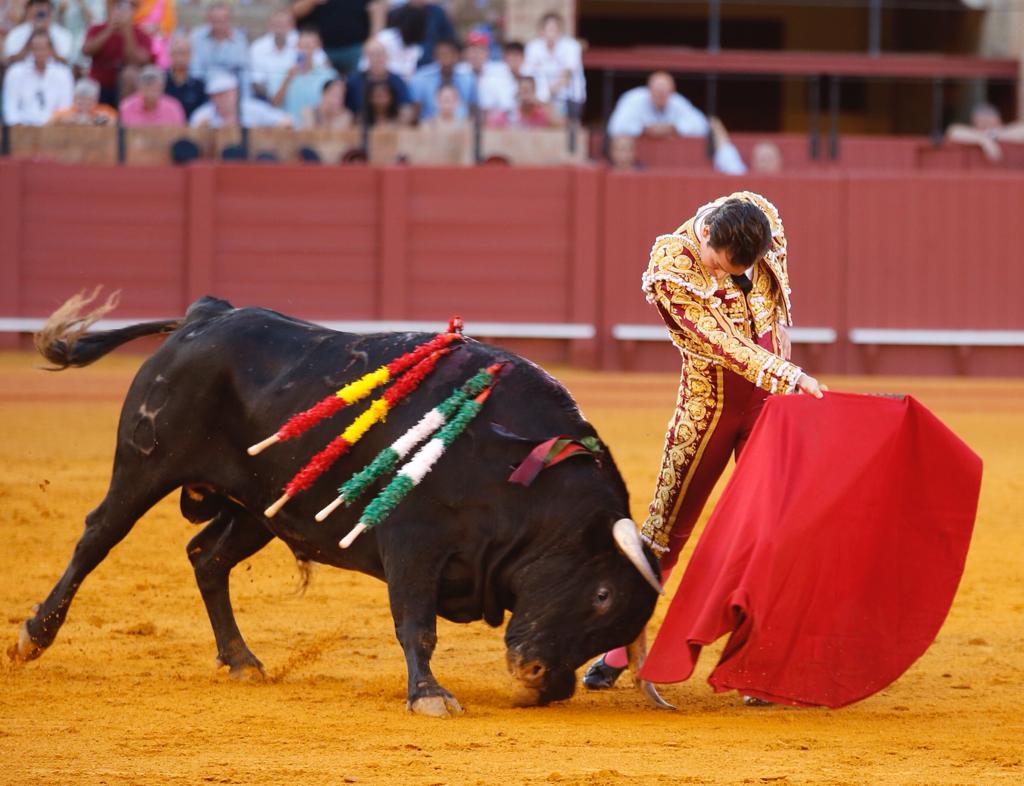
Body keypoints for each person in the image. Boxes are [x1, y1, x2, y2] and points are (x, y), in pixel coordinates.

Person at [582, 192, 825, 691]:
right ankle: (620, 646)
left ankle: (761, 662)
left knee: (774, 531)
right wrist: (789, 373)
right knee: (664, 533)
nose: (721, 274)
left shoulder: (763, 216)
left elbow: (777, 290)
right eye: (718, 264)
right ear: (708, 235)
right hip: (709, 407)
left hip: (768, 404)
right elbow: (725, 345)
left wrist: (782, 342)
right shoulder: (670, 267)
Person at [608, 71, 746, 176]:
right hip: (639, 162)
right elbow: (616, 126)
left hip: (671, 162)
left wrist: (674, 128)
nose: (661, 96)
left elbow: (701, 125)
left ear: (671, 91)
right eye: (657, 92)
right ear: (649, 89)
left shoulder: (676, 102)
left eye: (664, 93)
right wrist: (644, 129)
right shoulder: (634, 100)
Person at [81, 0, 152, 106]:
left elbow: (138, 61)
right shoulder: (97, 29)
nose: (121, 12)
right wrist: (109, 30)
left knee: (130, 74)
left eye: (128, 8)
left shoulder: (142, 34)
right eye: (117, 6)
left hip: (125, 88)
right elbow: (86, 51)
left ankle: (125, 114)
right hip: (99, 83)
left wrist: (127, 31)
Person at [250, 6, 324, 100]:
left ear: (292, 26)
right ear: (269, 25)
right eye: (276, 24)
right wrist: (274, 97)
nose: (279, 29)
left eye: (283, 24)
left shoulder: (302, 41)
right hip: (267, 97)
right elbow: (256, 82)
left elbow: (322, 63)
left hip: (301, 92)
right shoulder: (258, 47)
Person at [2, 29, 73, 123]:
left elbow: (65, 106)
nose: (39, 53)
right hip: (21, 126)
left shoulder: (63, 73)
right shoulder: (15, 72)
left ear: (51, 50)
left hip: (53, 126)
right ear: (29, 49)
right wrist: (17, 126)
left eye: (43, 48)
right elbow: (10, 106)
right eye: (35, 48)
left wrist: (52, 124)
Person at [272, 28, 336, 127]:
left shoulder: (328, 75)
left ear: (317, 47)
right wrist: (287, 80)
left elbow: (334, 107)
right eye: (301, 46)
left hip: (315, 128)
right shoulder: (281, 73)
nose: (305, 51)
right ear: (296, 47)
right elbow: (274, 104)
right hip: (288, 128)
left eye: (309, 46)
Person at [522, 11, 583, 115]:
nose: (553, 33)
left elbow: (566, 78)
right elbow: (527, 73)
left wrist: (542, 95)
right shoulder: (533, 46)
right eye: (550, 29)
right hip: (539, 99)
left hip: (568, 99)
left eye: (556, 29)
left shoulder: (571, 46)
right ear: (541, 31)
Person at [291, 0, 372, 76]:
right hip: (321, 49)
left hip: (356, 46)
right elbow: (294, 12)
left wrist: (372, 39)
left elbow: (374, 6)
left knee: (356, 82)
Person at [190, 70, 291, 128]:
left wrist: (265, 131)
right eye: (215, 96)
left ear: (235, 93)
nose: (220, 99)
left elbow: (286, 122)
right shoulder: (202, 115)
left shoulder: (254, 109)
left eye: (224, 94)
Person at [344, 36, 411, 123]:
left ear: (387, 56)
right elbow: (346, 110)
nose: (377, 58)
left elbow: (405, 109)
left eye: (380, 54)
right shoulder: (353, 81)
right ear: (366, 57)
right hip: (360, 125)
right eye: (373, 55)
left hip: (391, 125)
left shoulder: (397, 81)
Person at [408, 37, 472, 121]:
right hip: (429, 125)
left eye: (449, 54)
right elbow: (415, 111)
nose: (446, 58)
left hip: (460, 125)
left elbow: (472, 109)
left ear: (457, 56)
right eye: (441, 54)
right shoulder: (420, 78)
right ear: (434, 56)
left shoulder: (468, 78)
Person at [188, 1, 247, 89]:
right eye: (215, 20)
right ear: (208, 19)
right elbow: (195, 70)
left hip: (229, 89)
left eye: (222, 20)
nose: (218, 25)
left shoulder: (239, 40)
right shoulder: (196, 37)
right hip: (201, 87)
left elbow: (243, 72)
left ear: (230, 19)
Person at [476, 40, 543, 115]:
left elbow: (543, 101)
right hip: (502, 119)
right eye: (510, 55)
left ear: (523, 58)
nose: (514, 59)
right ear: (504, 58)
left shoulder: (533, 75)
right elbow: (488, 108)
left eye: (517, 55)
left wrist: (530, 99)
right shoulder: (493, 78)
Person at [945, 102, 1024, 161]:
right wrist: (983, 140)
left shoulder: (1008, 130)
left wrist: (994, 135)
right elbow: (953, 132)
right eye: (982, 122)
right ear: (974, 123)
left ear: (999, 121)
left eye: (989, 120)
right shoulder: (974, 133)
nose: (986, 124)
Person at [3, 0, 73, 64]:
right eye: (37, 5)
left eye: (43, 5)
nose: (40, 10)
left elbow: (65, 62)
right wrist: (32, 34)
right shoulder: (16, 33)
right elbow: (10, 61)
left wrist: (47, 33)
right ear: (29, 11)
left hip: (53, 72)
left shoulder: (63, 34)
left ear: (51, 12)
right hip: (24, 72)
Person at [118, 63, 184, 125]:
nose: (150, 92)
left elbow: (180, 132)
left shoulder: (173, 108)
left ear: (162, 87)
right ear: (139, 87)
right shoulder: (126, 107)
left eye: (155, 87)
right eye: (147, 86)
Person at [486, 75, 560, 129]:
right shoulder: (510, 114)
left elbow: (559, 124)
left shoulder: (541, 113)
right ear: (518, 92)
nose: (525, 95)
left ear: (534, 92)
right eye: (523, 90)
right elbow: (490, 125)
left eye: (528, 91)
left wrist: (539, 102)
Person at [164, 32, 206, 119]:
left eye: (184, 53)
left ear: (190, 55)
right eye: (177, 53)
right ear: (170, 55)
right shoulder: (161, 82)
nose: (180, 57)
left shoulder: (199, 85)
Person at [56, 0, 106, 70]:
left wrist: (82, 4)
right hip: (66, 38)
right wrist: (61, 12)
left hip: (85, 37)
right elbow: (58, 26)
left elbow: (93, 23)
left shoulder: (96, 2)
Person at [48, 74, 115, 122]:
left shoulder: (105, 111)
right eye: (81, 101)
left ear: (95, 99)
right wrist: (65, 120)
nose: (84, 104)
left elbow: (115, 122)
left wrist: (93, 120)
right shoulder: (65, 112)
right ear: (74, 99)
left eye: (88, 101)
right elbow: (50, 122)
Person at [131, 0, 172, 67]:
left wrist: (156, 28)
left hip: (156, 46)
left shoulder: (163, 2)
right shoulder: (132, 3)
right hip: (134, 42)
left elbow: (168, 28)